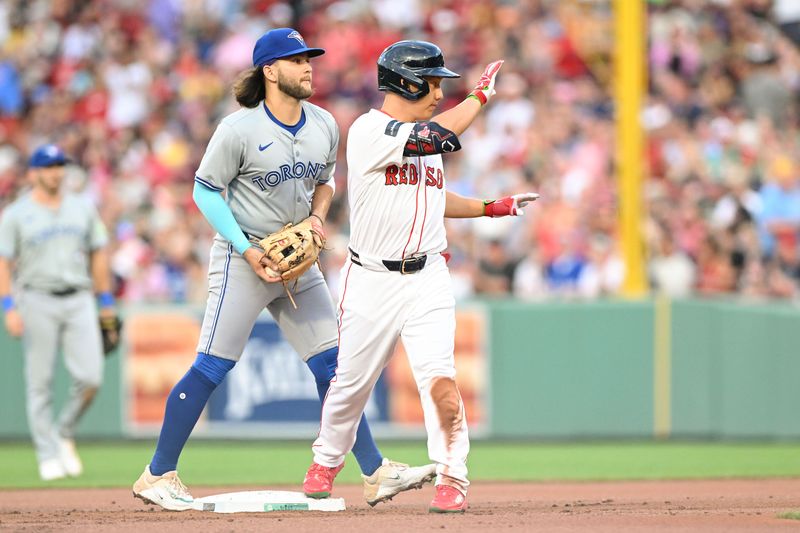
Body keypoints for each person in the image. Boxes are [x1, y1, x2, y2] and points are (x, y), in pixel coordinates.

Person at [132, 28, 435, 511]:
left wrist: (317, 219)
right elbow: (205, 191)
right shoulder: (238, 130)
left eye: (309, 58)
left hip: (299, 262)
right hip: (243, 259)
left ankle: (375, 472)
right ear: (270, 71)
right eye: (296, 60)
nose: (307, 66)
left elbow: (326, 183)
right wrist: (246, 249)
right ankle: (157, 473)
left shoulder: (324, 124)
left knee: (335, 368)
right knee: (213, 365)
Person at [302, 40, 538, 513]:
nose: (439, 91)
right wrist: (480, 97)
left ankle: (452, 476)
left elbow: (434, 196)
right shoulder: (370, 131)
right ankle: (326, 461)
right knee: (350, 383)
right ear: (406, 82)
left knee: (440, 379)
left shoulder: (420, 138)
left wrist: (493, 208)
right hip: (371, 278)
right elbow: (439, 137)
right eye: (432, 82)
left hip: (428, 274)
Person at [0, 144, 116, 481]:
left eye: (60, 165)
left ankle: (63, 431)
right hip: (37, 297)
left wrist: (105, 300)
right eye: (49, 166)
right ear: (33, 173)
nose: (56, 172)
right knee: (40, 382)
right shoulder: (16, 214)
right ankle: (46, 452)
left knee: (91, 377)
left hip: (79, 297)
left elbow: (98, 253)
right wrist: (9, 307)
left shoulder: (81, 207)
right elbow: (4, 263)